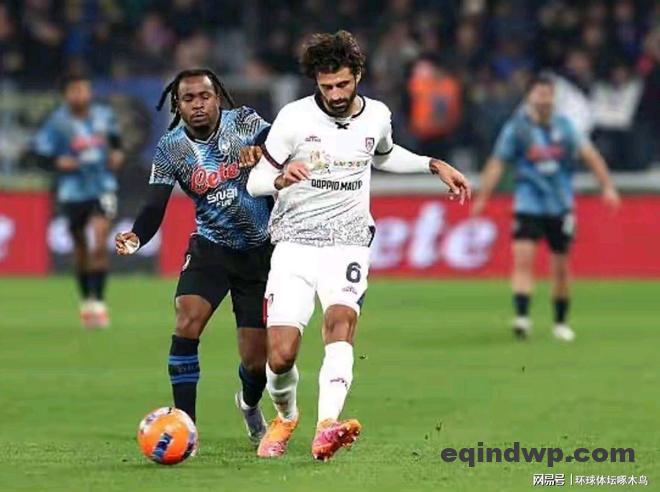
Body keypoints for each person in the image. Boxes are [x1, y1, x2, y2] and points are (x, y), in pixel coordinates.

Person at [246, 31, 470, 461]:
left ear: (358, 76)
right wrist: (280, 177)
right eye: (326, 86)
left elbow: (382, 155)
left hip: (348, 242)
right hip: (294, 242)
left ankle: (326, 426)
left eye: (342, 85)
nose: (334, 94)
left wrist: (431, 164)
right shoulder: (293, 119)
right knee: (281, 355)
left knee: (341, 322)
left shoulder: (377, 115)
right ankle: (286, 417)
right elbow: (256, 181)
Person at [114, 68, 272, 445]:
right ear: (178, 105)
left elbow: (279, 141)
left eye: (204, 96)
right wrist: (137, 235)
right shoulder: (170, 148)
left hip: (259, 252)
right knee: (187, 319)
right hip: (210, 247)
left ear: (217, 98)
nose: (198, 104)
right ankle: (186, 426)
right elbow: (155, 205)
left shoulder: (244, 122)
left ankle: (249, 404)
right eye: (189, 99)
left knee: (256, 362)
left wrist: (264, 152)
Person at [472, 75, 621, 342]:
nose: (544, 99)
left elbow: (591, 156)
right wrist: (483, 196)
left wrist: (607, 187)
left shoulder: (566, 127)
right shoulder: (517, 129)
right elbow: (497, 162)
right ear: (530, 97)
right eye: (539, 94)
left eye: (548, 94)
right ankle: (522, 318)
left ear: (554, 98)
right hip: (528, 203)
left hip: (560, 205)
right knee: (523, 259)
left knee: (561, 267)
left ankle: (560, 323)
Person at [34, 73, 125, 328]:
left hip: (103, 186)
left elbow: (116, 141)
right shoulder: (56, 122)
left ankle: (99, 303)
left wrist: (117, 154)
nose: (81, 95)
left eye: (84, 90)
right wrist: (57, 162)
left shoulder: (104, 116)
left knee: (99, 242)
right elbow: (39, 155)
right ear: (66, 95)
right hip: (72, 191)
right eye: (75, 91)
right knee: (81, 247)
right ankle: (86, 300)